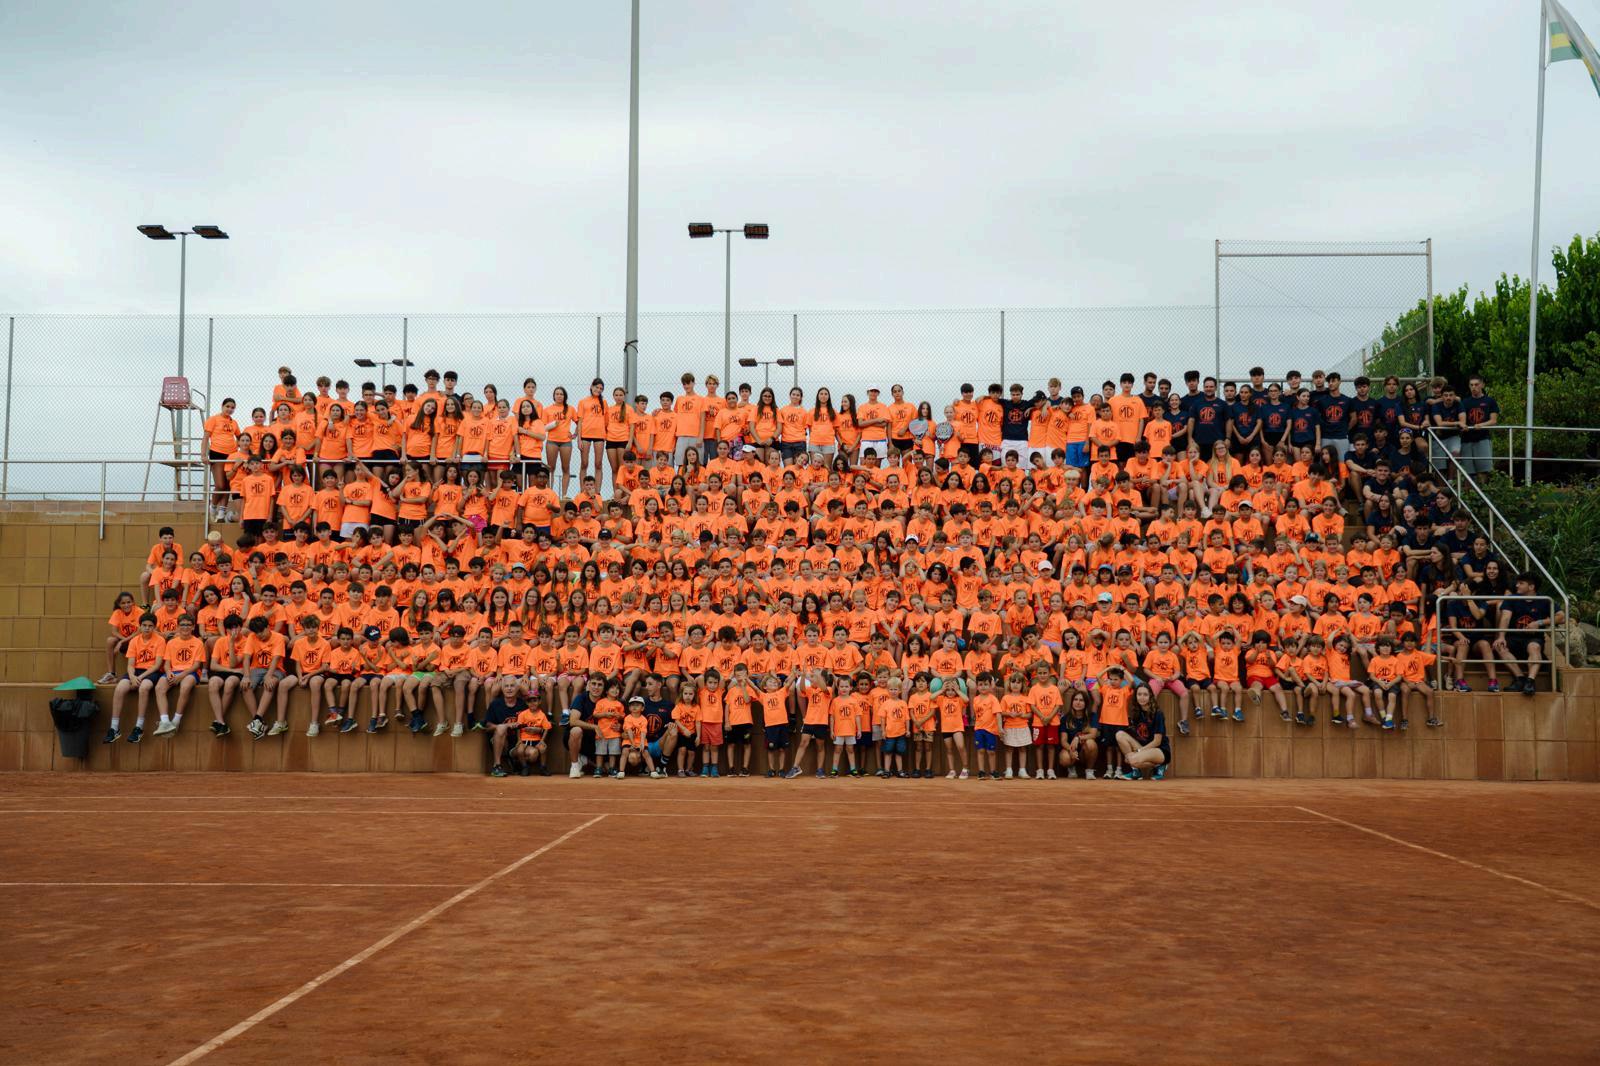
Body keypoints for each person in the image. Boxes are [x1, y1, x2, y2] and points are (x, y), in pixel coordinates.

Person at [106, 613, 164, 744]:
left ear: (154, 627)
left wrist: (140, 677)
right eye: (144, 625)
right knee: (120, 688)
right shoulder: (134, 640)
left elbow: (157, 665)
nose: (147, 628)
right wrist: (132, 676)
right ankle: (114, 728)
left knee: (144, 687)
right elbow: (131, 664)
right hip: (136, 671)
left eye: (150, 626)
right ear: (140, 626)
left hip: (151, 671)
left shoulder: (160, 640)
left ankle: (139, 727)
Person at [1116, 684, 1168, 780]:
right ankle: (1136, 771)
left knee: (1132, 760)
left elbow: (1157, 742)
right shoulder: (1137, 713)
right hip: (1144, 747)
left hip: (1159, 750)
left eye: (1145, 694)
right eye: (1139, 694)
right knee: (1119, 735)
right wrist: (1135, 752)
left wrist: (1139, 752)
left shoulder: (1158, 714)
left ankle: (1161, 764)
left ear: (1150, 696)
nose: (1142, 697)